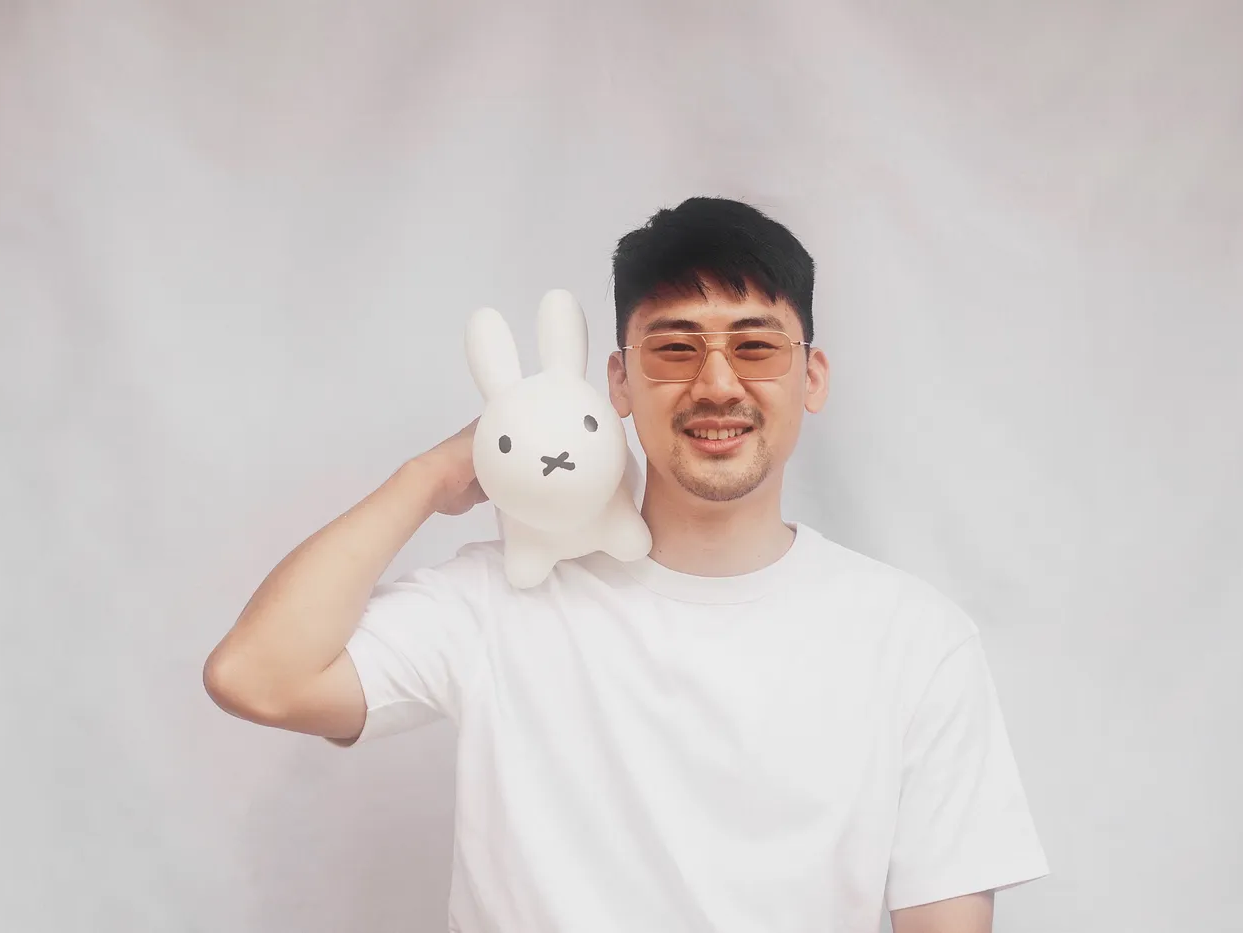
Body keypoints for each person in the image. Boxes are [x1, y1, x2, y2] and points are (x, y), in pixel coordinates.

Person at [203, 196, 1050, 932]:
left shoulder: (915, 640)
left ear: (811, 376)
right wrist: (433, 476)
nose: (717, 384)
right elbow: (256, 675)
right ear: (615, 381)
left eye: (755, 347)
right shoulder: (496, 600)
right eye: (674, 348)